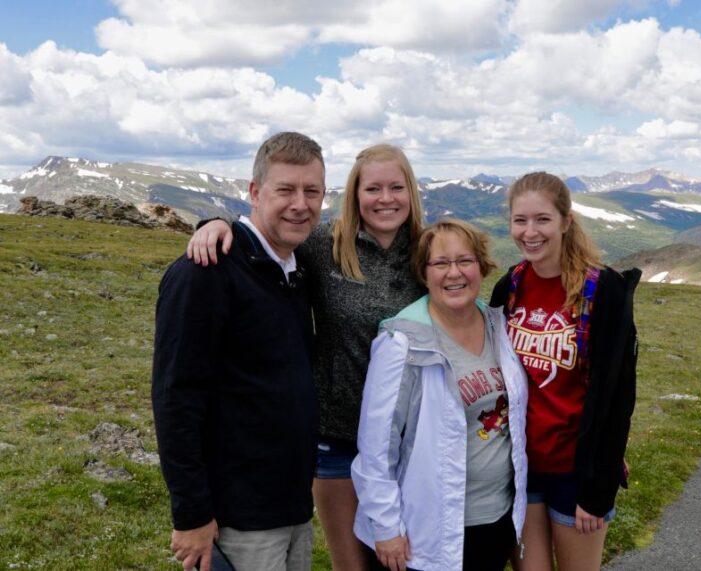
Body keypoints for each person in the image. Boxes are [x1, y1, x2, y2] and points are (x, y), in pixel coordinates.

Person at [186, 144, 427, 570]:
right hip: (337, 438)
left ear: (412, 192)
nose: (385, 199)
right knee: (352, 565)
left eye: (396, 187)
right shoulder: (325, 243)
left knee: (408, 559)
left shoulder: (428, 252)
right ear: (355, 195)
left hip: (408, 441)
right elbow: (268, 235)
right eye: (372, 189)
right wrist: (216, 223)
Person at [152, 132, 325, 571]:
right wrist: (191, 513)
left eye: (312, 191)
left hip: (291, 506)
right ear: (255, 192)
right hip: (238, 516)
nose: (300, 204)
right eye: (285, 190)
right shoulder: (206, 272)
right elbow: (175, 398)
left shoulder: (295, 269)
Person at [352, 219, 529, 571]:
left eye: (465, 261)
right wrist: (386, 527)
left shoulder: (498, 325)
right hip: (427, 532)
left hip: (496, 519)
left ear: (481, 266)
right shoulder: (402, 342)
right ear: (424, 272)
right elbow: (376, 445)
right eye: (441, 263)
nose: (454, 273)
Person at [489, 172, 640, 571]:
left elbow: (618, 395)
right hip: (522, 466)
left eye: (542, 219)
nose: (530, 232)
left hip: (577, 469)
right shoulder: (509, 287)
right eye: (520, 220)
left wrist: (599, 488)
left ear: (565, 221)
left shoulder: (602, 290)